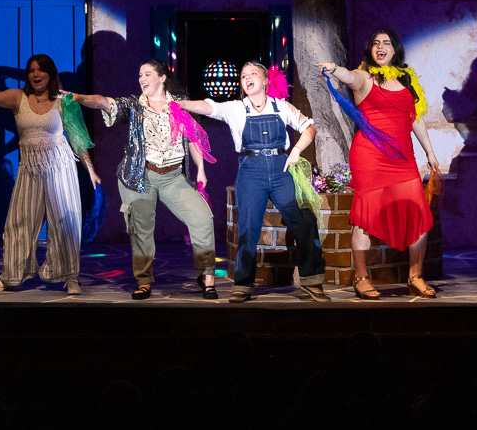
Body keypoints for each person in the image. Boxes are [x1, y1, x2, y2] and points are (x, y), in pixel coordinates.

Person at [176, 61, 328, 303]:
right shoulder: (236, 108)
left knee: (304, 221)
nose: (247, 78)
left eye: (253, 73)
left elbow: (309, 128)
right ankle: (243, 284)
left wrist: (297, 150)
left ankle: (312, 281)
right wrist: (182, 104)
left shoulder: (281, 106)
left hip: (282, 169)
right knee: (248, 229)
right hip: (251, 171)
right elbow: (208, 107)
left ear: (265, 81)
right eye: (243, 75)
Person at [70, 60, 215, 300]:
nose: (142, 79)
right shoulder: (134, 106)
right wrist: (77, 97)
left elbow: (192, 138)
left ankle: (207, 278)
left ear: (162, 77)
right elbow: (104, 102)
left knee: (202, 218)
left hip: (173, 177)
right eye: (140, 75)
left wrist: (200, 169)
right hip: (139, 176)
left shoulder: (179, 104)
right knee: (141, 229)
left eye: (147, 74)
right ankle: (144, 281)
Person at [0, 54, 99, 296]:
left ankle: (70, 277)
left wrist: (91, 170)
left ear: (50, 74)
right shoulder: (18, 97)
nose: (36, 74)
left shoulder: (63, 100)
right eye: (31, 70)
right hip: (30, 168)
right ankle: (11, 276)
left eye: (41, 70)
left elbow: (77, 138)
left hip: (59, 167)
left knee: (65, 223)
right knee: (19, 222)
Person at [318, 28, 440, 300]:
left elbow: (415, 117)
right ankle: (361, 278)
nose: (380, 47)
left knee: (418, 215)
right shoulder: (365, 76)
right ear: (370, 49)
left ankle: (415, 276)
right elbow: (349, 77)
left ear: (395, 49)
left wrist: (430, 152)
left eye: (386, 43)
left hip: (403, 158)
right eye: (375, 43)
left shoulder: (407, 79)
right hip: (370, 156)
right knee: (365, 216)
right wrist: (334, 69)